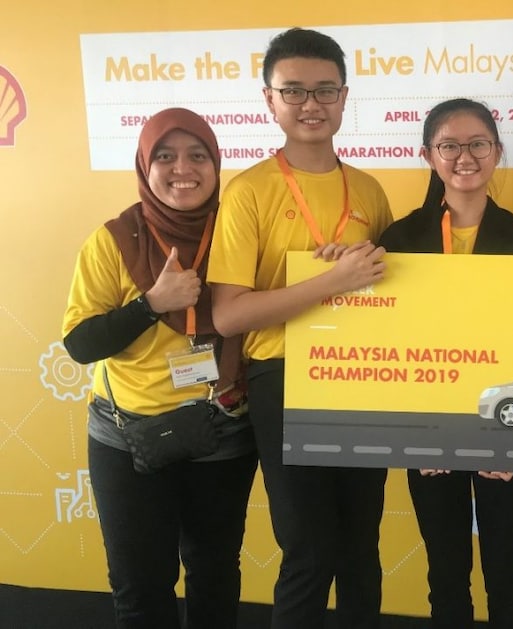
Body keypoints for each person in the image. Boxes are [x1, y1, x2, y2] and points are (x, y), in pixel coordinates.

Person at [206, 28, 393, 629]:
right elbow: (229, 314)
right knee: (309, 552)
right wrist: (327, 284)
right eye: (294, 91)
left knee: (362, 549)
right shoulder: (249, 192)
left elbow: (391, 294)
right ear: (269, 100)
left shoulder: (367, 189)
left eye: (324, 90)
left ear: (344, 97)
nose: (311, 104)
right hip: (284, 379)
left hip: (363, 378)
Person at [61, 107, 257, 628]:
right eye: (164, 156)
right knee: (141, 585)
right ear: (144, 166)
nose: (182, 168)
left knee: (214, 575)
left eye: (198, 155)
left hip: (223, 430)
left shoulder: (242, 231)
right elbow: (80, 344)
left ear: (216, 164)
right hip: (128, 436)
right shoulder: (113, 240)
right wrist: (151, 302)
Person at [378, 98, 513, 629]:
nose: (464, 157)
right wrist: (414, 438)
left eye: (478, 144)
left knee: (507, 574)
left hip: (508, 431)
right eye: (450, 145)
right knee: (445, 574)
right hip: (429, 436)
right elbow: (385, 346)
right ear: (428, 154)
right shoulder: (400, 242)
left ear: (497, 152)